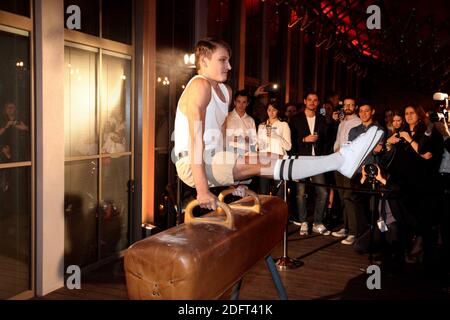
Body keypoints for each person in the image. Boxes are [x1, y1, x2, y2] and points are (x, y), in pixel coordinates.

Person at [172, 38, 383, 210]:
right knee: (263, 162)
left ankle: (339, 162)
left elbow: (220, 138)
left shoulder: (225, 91)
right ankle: (339, 161)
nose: (229, 66)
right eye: (223, 60)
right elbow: (195, 138)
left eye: (229, 60)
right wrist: (201, 189)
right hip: (192, 164)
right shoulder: (200, 85)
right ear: (205, 60)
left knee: (273, 157)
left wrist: (235, 179)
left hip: (214, 159)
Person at [289, 91, 331, 236]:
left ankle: (318, 222)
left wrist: (323, 156)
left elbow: (326, 140)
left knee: (323, 192)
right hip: (301, 159)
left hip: (317, 160)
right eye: (310, 100)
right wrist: (304, 140)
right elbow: (291, 141)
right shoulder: (295, 119)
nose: (312, 102)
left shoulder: (322, 119)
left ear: (318, 102)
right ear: (305, 101)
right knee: (301, 193)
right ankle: (304, 222)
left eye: (315, 100)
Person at [257, 102, 291, 196]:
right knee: (264, 193)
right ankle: (265, 211)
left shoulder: (283, 125)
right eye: (269, 110)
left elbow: (288, 146)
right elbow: (258, 145)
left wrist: (276, 136)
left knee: (280, 193)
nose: (271, 112)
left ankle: (279, 210)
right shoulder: (261, 126)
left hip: (278, 162)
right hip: (264, 162)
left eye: (274, 110)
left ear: (278, 111)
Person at [225, 90, 257, 156]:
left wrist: (253, 155)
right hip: (229, 154)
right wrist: (234, 138)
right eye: (239, 101)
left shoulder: (251, 121)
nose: (241, 105)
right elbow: (220, 136)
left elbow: (254, 141)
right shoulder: (227, 117)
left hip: (246, 156)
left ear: (247, 103)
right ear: (234, 102)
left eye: (244, 102)